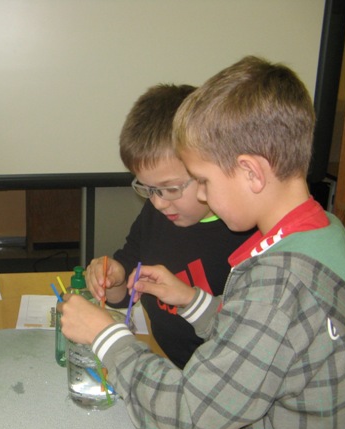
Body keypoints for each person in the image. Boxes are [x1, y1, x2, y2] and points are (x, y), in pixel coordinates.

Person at [60, 56, 345, 429]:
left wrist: (106, 337)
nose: (203, 197)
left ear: (250, 172)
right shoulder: (324, 230)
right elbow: (264, 343)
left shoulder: (279, 283)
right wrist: (193, 301)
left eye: (205, 182)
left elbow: (184, 416)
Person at [85, 84, 253, 368]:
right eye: (148, 189)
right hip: (164, 361)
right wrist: (113, 279)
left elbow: (245, 343)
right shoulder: (158, 214)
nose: (159, 203)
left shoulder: (244, 236)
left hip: (213, 375)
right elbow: (125, 294)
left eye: (171, 188)